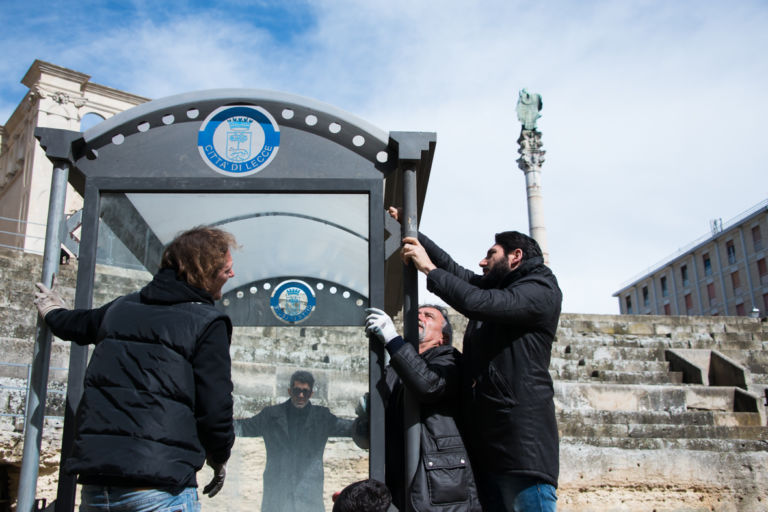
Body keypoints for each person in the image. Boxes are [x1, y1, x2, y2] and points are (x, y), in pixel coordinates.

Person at [33, 226, 238, 511]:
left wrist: (52, 310)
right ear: (204, 270)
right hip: (158, 487)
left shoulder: (120, 308)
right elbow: (215, 408)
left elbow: (74, 325)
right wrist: (219, 457)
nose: (232, 274)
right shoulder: (208, 323)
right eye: (226, 268)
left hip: (97, 487)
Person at [392, 207, 562, 512]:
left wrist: (428, 270)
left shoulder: (540, 289)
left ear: (515, 257)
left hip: (521, 454)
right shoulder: (501, 288)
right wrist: (414, 232)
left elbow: (474, 300)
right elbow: (459, 275)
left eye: (491, 255)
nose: (482, 262)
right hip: (488, 453)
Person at [364, 304, 481, 511]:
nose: (420, 317)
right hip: (398, 479)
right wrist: (365, 417)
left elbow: (429, 385)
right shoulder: (395, 370)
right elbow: (372, 432)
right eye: (417, 314)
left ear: (442, 338)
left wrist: (392, 340)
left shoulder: (450, 359)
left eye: (428, 316)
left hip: (440, 483)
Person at [235, 370, 355, 512]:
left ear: (311, 394)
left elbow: (349, 428)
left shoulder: (321, 417)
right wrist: (215, 424)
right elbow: (245, 427)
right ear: (289, 391)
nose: (300, 395)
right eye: (297, 390)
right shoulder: (271, 415)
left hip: (308, 495)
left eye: (305, 391)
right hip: (277, 495)